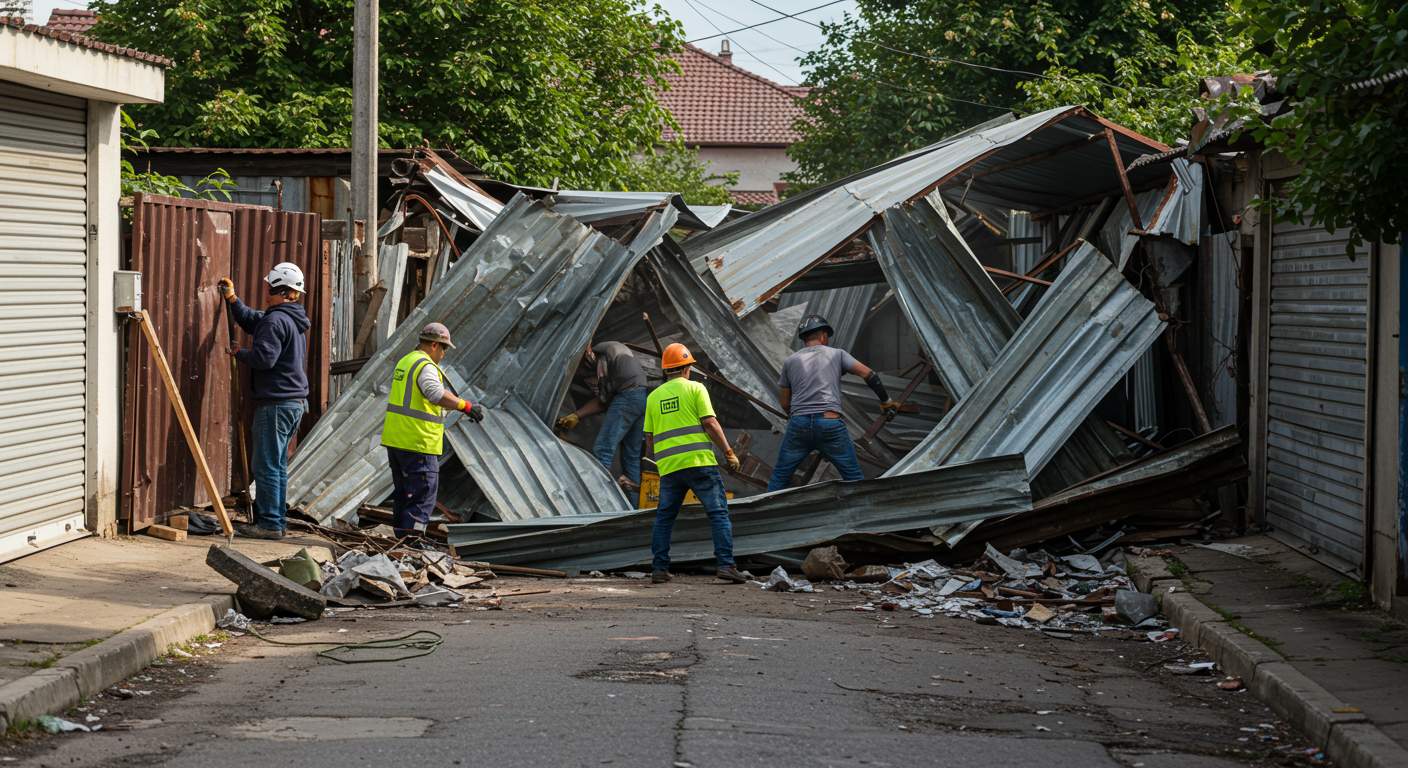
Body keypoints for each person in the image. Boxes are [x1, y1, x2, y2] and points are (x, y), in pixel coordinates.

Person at [218, 264, 310, 540]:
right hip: (293, 403)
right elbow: (253, 319)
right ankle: (276, 521)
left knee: (266, 465)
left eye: (270, 288)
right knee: (277, 465)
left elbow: (264, 359)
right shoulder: (291, 318)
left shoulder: (275, 321)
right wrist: (233, 300)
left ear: (281, 291)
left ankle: (269, 524)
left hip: (276, 404)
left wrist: (239, 352)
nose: (266, 293)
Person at [644, 343, 747, 585]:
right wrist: (729, 452)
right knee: (718, 513)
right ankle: (726, 565)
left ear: (666, 370)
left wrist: (661, 459)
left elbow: (649, 439)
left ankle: (659, 569)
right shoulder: (696, 389)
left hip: (670, 467)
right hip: (699, 463)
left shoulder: (652, 397)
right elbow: (710, 423)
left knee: (664, 517)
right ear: (687, 367)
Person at [767, 314, 900, 492]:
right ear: (823, 335)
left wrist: (802, 418)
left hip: (799, 425)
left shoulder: (791, 361)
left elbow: (784, 402)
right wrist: (886, 401)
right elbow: (869, 375)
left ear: (804, 338)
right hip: (829, 424)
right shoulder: (837, 354)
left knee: (779, 478)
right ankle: (860, 515)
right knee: (853, 478)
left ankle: (768, 516)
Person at [381, 322, 485, 540]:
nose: (444, 353)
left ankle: (401, 539)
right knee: (423, 494)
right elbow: (435, 394)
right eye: (444, 348)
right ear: (435, 345)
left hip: (397, 439)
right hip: (418, 440)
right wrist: (465, 406)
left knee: (404, 494)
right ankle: (412, 542)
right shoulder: (425, 365)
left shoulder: (406, 361)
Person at [554, 341, 648, 492]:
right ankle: (633, 507)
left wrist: (577, 415)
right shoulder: (612, 354)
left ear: (586, 355)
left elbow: (604, 401)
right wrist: (577, 415)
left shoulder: (602, 358)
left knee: (603, 449)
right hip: (641, 397)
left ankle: (599, 497)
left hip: (628, 396)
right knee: (631, 456)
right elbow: (605, 400)